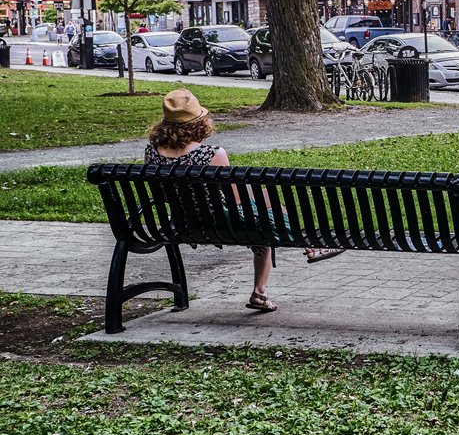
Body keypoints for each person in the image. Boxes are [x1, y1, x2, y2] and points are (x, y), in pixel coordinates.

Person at [142, 89, 342, 313]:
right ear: (198, 123)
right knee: (268, 212)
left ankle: (305, 251)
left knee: (265, 203)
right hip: (221, 222)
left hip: (182, 223)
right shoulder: (212, 154)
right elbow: (235, 199)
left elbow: (162, 193)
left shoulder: (152, 152)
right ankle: (294, 260)